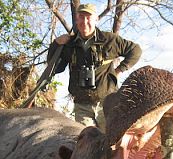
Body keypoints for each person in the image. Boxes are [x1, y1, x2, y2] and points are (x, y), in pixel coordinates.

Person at [48, 3, 142, 131]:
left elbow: (135, 50)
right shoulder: (69, 44)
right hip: (82, 105)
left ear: (96, 19)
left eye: (89, 17)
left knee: (110, 141)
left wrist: (119, 70)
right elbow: (55, 68)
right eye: (81, 17)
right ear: (76, 19)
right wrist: (55, 44)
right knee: (87, 143)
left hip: (107, 103)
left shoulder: (109, 39)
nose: (84, 21)